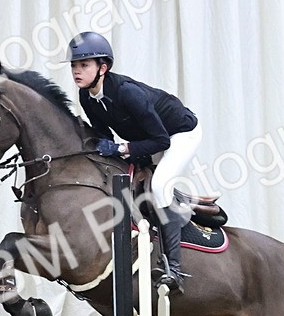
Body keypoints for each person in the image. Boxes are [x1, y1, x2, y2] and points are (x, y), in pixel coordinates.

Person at [67, 31, 202, 294]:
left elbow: (161, 141)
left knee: (160, 185)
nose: (76, 71)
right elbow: (104, 135)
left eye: (84, 65)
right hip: (148, 138)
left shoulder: (127, 93)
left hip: (179, 133)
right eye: (74, 65)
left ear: (102, 68)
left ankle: (174, 268)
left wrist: (121, 147)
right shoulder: (86, 96)